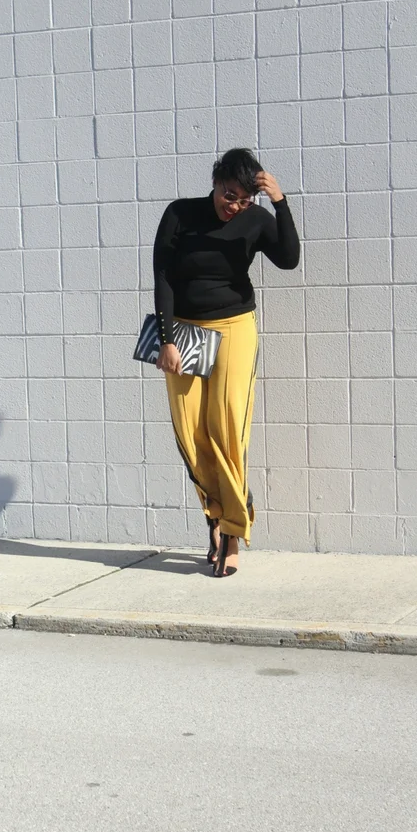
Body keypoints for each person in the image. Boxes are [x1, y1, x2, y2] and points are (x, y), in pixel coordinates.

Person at [152, 147, 300, 577]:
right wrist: (166, 340)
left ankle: (233, 530)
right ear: (215, 183)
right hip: (185, 332)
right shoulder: (180, 214)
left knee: (228, 426)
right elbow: (162, 275)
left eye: (243, 200)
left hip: (234, 327)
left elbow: (289, 259)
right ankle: (214, 516)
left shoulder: (256, 219)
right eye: (229, 195)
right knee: (191, 433)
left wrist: (279, 202)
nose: (234, 206)